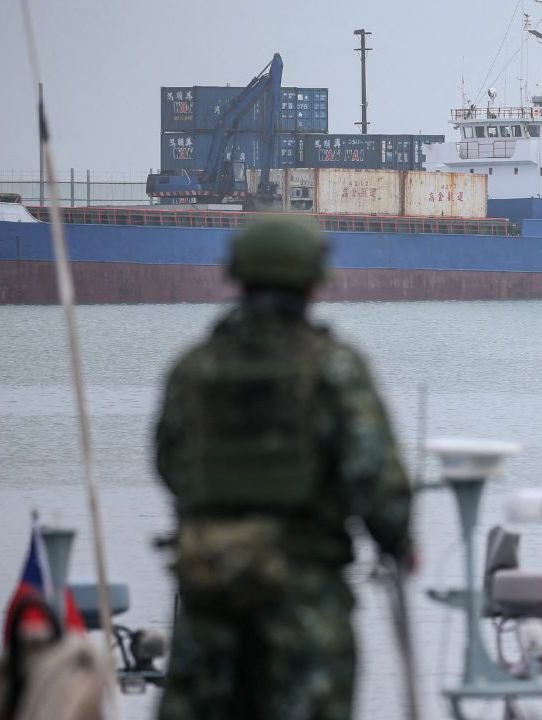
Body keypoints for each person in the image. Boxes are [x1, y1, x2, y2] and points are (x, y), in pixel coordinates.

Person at [154, 217, 413, 720]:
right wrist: (396, 541)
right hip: (304, 602)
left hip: (209, 603)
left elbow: (167, 462)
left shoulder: (192, 368)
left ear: (237, 276)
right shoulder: (335, 368)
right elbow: (379, 484)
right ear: (313, 282)